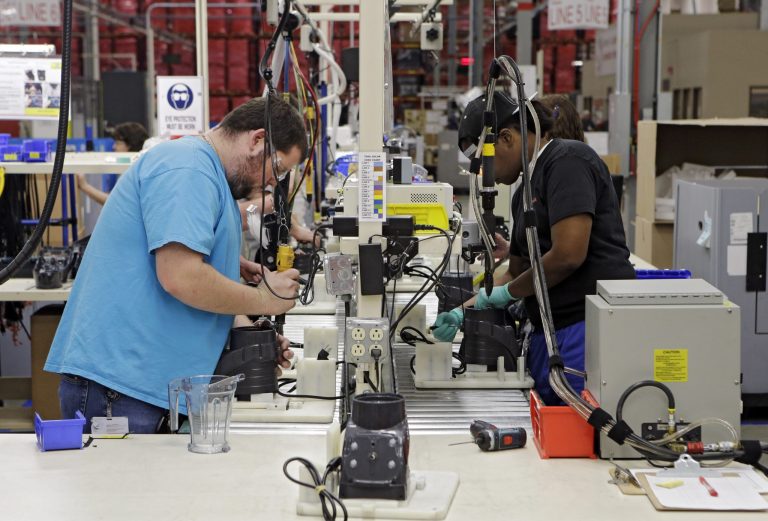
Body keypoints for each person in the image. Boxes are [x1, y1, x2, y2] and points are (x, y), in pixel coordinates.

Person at [45, 96, 307, 432]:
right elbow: (180, 277)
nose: (273, 183)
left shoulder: (209, 176)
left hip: (150, 387)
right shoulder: (188, 168)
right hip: (121, 388)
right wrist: (263, 299)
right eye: (279, 168)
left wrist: (251, 334)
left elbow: (191, 270)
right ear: (257, 140)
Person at [431, 92, 635, 405]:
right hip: (548, 331)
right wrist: (463, 310)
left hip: (585, 329)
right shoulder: (523, 193)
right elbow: (514, 271)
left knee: (578, 436)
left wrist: (507, 293)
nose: (490, 177)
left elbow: (568, 255)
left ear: (507, 137)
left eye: (486, 165)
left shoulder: (567, 160)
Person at [76, 122, 150, 205]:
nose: (113, 147)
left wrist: (84, 186)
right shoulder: (135, 168)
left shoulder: (134, 173)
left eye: (118, 143)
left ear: (130, 145)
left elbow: (113, 202)